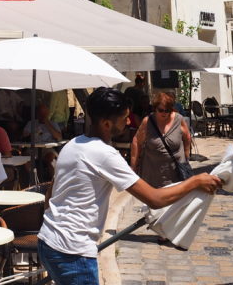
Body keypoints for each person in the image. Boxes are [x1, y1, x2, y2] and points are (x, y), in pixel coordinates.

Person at [38, 88, 222, 285]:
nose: (128, 122)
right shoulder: (105, 154)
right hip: (72, 251)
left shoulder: (73, 144)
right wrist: (195, 181)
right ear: (106, 123)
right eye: (124, 118)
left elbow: (51, 194)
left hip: (47, 240)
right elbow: (155, 199)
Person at [131, 90, 192, 188]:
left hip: (175, 173)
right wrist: (133, 166)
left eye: (167, 110)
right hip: (153, 174)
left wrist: (186, 157)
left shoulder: (179, 119)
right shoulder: (148, 121)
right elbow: (136, 141)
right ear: (155, 108)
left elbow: (187, 137)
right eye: (160, 110)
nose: (164, 113)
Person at [23, 103, 63, 179]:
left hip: (47, 148)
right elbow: (24, 136)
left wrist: (47, 123)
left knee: (51, 158)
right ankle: (33, 181)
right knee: (25, 158)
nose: (42, 115)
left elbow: (59, 137)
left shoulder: (53, 124)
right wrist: (31, 134)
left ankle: (54, 182)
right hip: (33, 148)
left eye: (44, 113)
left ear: (48, 113)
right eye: (40, 113)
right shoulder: (31, 123)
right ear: (37, 114)